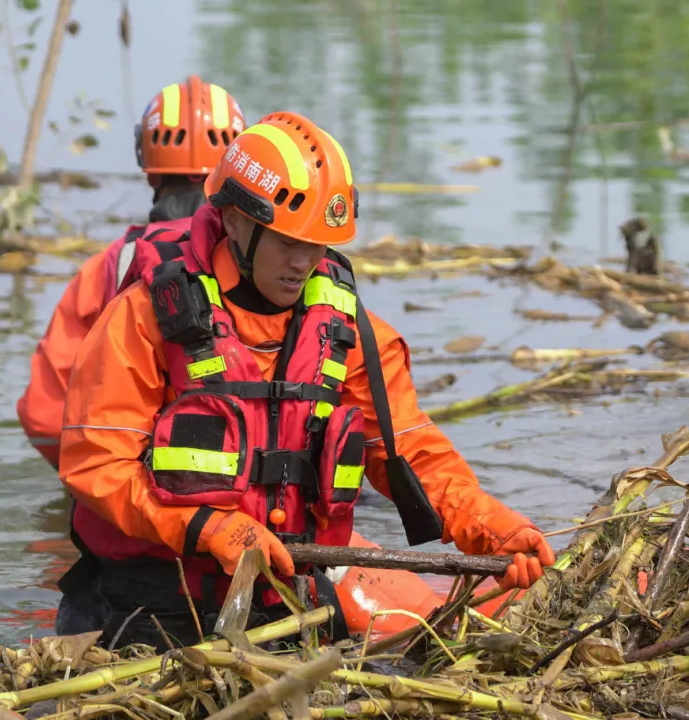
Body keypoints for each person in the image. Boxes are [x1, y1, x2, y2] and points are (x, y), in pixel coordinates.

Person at [56, 111, 556, 647]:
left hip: (293, 592)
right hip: (157, 596)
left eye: (318, 245)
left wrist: (492, 528)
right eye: (288, 242)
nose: (304, 263)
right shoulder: (143, 318)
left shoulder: (347, 330)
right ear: (234, 221)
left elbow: (409, 452)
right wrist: (207, 528)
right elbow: (97, 464)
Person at [17, 75, 247, 467]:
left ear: (148, 165)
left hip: (136, 485)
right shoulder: (265, 256)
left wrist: (101, 479)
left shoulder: (113, 265)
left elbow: (44, 413)